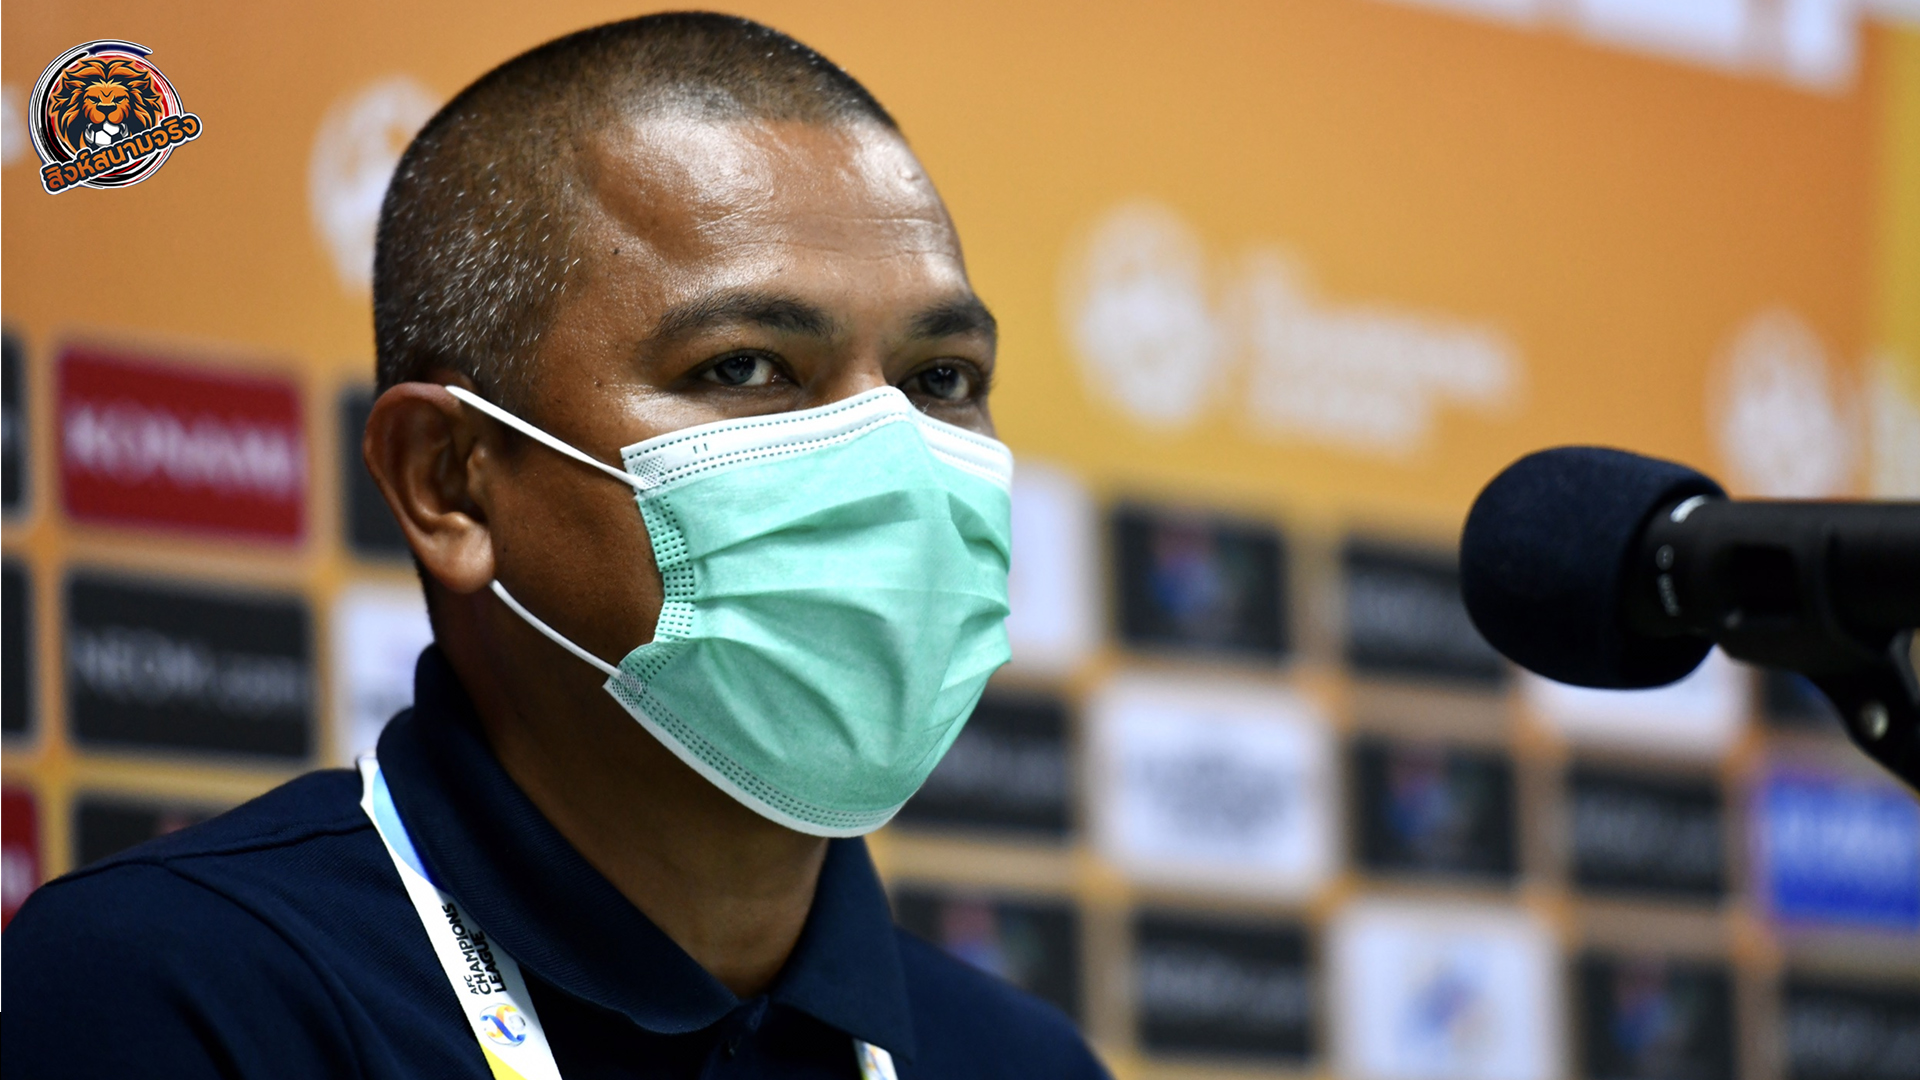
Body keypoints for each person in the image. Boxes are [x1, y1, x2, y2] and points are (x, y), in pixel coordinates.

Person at [3, 14, 1109, 1078]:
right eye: (744, 366)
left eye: (941, 379)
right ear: (448, 481)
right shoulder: (178, 990)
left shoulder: (1022, 1063)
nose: (891, 456)